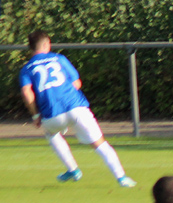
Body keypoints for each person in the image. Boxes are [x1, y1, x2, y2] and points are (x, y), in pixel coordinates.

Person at [19, 30, 136, 187]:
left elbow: (27, 93)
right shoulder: (59, 58)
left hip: (52, 114)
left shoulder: (26, 69)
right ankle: (121, 177)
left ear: (30, 48)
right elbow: (77, 83)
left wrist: (35, 116)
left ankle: (73, 169)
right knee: (99, 143)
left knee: (51, 133)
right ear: (47, 44)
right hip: (76, 107)